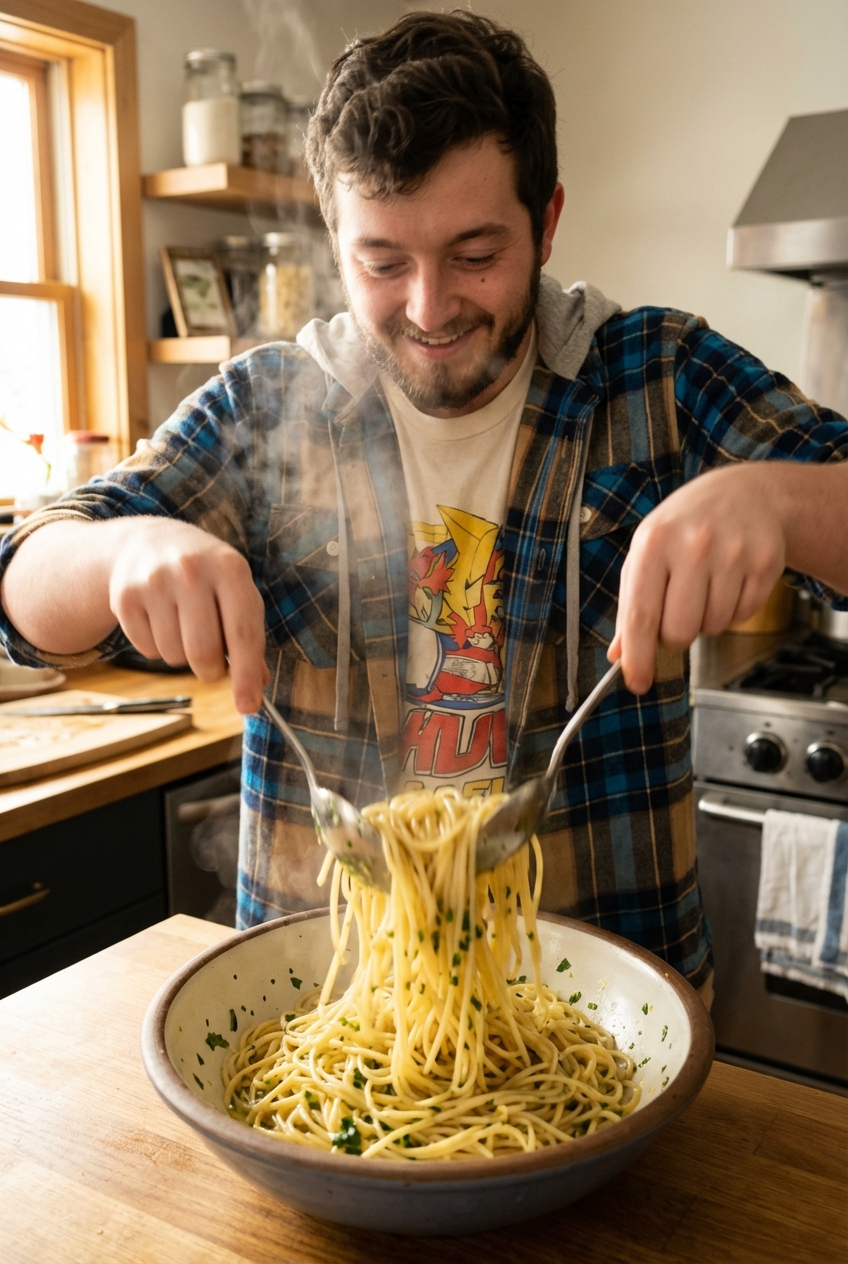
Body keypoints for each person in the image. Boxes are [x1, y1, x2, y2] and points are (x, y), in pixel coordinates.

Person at [1, 12, 846, 1001]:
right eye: (383, 263)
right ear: (335, 239)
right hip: (322, 1015)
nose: (429, 308)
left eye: (475, 253)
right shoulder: (267, 401)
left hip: (611, 1015)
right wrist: (115, 554)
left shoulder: (653, 375)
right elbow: (21, 589)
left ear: (547, 220)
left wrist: (776, 500)